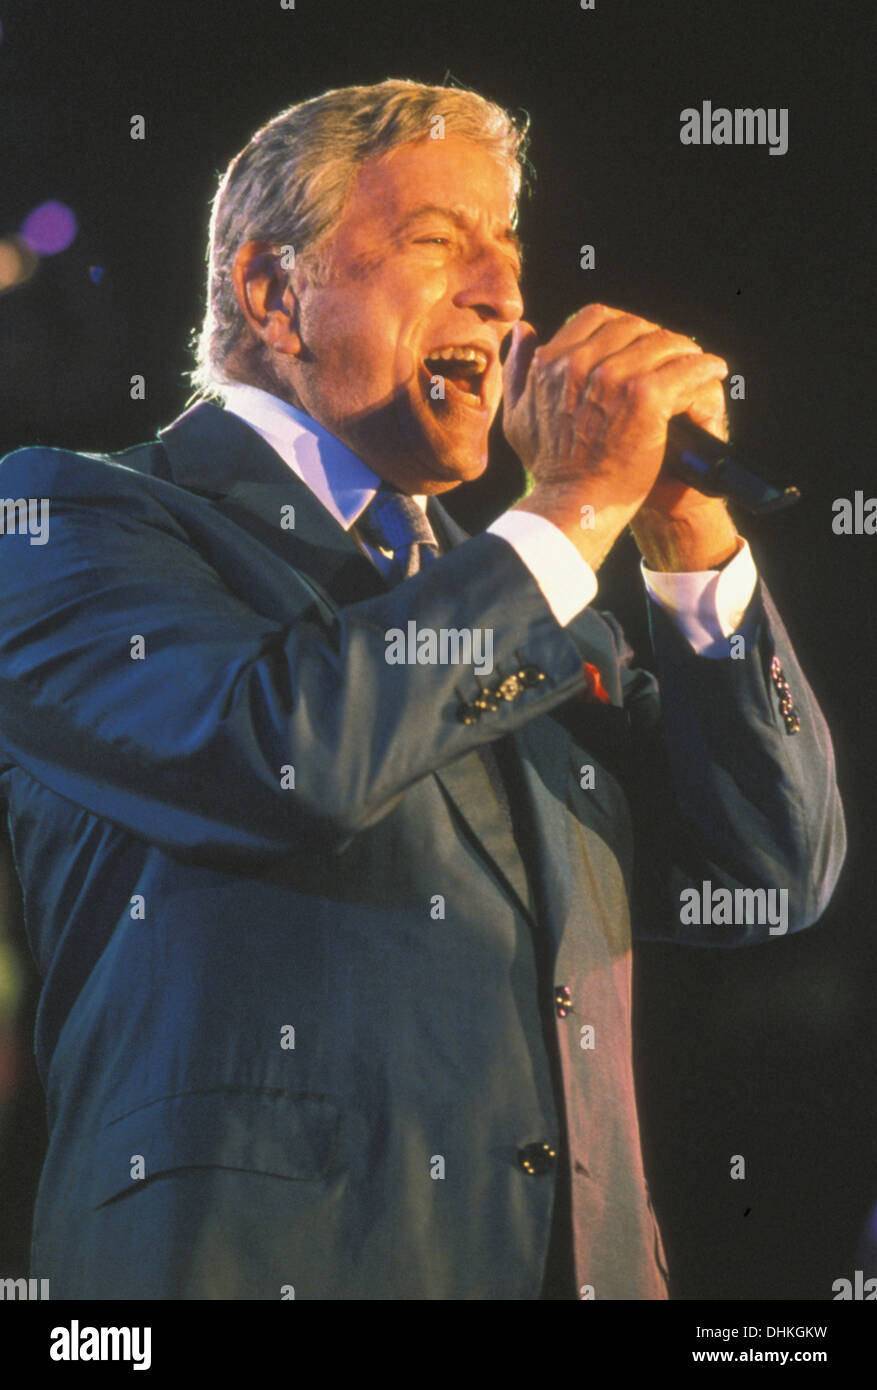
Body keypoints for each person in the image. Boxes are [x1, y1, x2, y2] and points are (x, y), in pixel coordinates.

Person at [0, 79, 845, 1300]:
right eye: (439, 241)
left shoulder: (528, 600)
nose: (505, 292)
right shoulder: (74, 521)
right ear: (271, 293)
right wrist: (571, 509)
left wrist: (690, 544)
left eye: (509, 249)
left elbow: (763, 877)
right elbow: (280, 752)